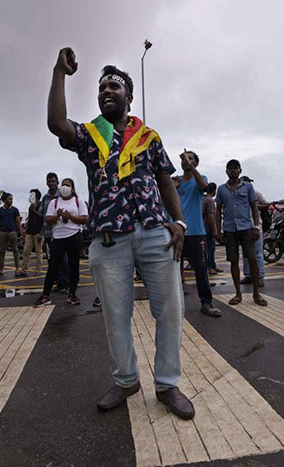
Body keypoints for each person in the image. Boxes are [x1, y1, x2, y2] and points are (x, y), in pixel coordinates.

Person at [47, 48, 194, 419]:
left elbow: (166, 182)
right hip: (108, 240)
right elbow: (57, 123)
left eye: (114, 86)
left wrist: (180, 224)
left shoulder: (149, 136)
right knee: (115, 316)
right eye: (101, 89)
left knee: (170, 312)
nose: (106, 92)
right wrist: (58, 74)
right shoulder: (89, 135)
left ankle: (167, 384)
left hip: (154, 234)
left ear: (129, 96)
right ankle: (127, 379)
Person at [215, 159, 268, 307]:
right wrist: (218, 231)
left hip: (246, 228)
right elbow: (218, 210)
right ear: (226, 171)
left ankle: (256, 294)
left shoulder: (248, 187)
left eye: (235, 168)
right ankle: (238, 294)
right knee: (233, 261)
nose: (232, 171)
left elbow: (254, 207)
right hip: (230, 229)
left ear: (240, 170)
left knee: (252, 259)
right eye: (230, 168)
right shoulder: (221, 189)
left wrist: (256, 227)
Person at [177, 150, 221, 317]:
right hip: (177, 231)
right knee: (174, 269)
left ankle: (206, 303)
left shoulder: (200, 179)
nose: (186, 161)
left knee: (201, 270)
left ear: (195, 163)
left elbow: (204, 187)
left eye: (191, 158)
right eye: (184, 158)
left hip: (196, 232)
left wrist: (192, 168)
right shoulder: (176, 182)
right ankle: (176, 302)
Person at [34, 178, 88, 306]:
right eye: (63, 185)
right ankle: (45, 295)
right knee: (53, 266)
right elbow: (47, 219)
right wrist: (57, 216)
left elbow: (84, 219)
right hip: (58, 237)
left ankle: (72, 294)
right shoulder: (54, 202)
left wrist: (70, 217)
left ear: (73, 188)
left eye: (67, 185)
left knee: (74, 266)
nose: (64, 187)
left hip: (74, 236)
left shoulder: (78, 201)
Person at [40, 172, 69, 290]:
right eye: (49, 181)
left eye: (53, 181)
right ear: (46, 182)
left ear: (57, 183)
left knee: (63, 259)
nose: (51, 183)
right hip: (48, 233)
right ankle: (59, 283)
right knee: (52, 260)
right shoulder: (44, 198)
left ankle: (66, 283)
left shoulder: (62, 195)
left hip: (61, 233)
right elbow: (43, 215)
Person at [241, 178, 267, 287]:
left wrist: (254, 205)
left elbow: (266, 205)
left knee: (258, 254)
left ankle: (259, 276)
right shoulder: (238, 195)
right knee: (246, 254)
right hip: (243, 227)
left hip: (256, 226)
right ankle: (248, 275)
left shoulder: (256, 194)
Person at [0, 192, 23, 276]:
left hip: (12, 232)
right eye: (9, 199)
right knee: (2, 251)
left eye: (12, 199)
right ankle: (0, 270)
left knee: (16, 250)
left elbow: (18, 222)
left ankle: (17, 268)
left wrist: (21, 233)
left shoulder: (15, 210)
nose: (11, 200)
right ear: (4, 200)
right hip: (2, 232)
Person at [21, 188, 44, 275]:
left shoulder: (41, 205)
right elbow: (29, 219)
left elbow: (43, 219)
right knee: (26, 251)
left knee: (38, 252)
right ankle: (24, 269)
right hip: (30, 232)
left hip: (38, 232)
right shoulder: (30, 206)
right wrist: (25, 231)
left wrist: (41, 233)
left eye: (32, 195)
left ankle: (38, 270)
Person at [202, 183, 221, 274]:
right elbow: (210, 215)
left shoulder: (203, 199)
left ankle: (212, 265)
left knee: (210, 248)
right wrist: (215, 229)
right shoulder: (210, 201)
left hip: (203, 227)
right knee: (209, 248)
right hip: (208, 227)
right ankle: (210, 267)